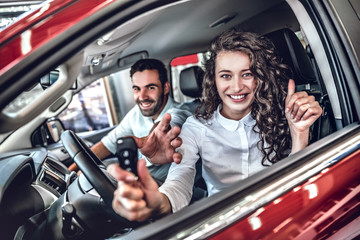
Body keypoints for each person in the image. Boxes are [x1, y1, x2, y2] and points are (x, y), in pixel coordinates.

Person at [107, 30, 323, 221]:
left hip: (282, 215)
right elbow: (179, 181)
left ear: (260, 77)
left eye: (247, 74)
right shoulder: (196, 127)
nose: (237, 86)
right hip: (223, 224)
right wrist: (158, 202)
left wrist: (299, 133)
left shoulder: (284, 113)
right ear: (214, 80)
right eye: (225, 75)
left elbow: (297, 181)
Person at [70, 58, 191, 185]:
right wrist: (72, 170)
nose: (142, 97)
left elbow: (171, 123)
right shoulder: (136, 113)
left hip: (169, 190)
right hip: (139, 179)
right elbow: (107, 144)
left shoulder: (181, 114)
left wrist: (155, 138)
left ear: (166, 88)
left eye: (150, 88)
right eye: (136, 89)